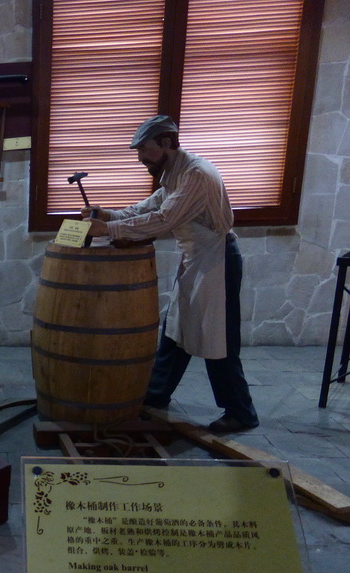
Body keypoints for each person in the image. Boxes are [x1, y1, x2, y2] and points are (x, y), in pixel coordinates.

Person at [83, 115, 258, 433]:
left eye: (144, 150)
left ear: (166, 144)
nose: (140, 158)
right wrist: (108, 213)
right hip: (197, 259)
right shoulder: (175, 173)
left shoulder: (196, 174)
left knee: (219, 339)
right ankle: (156, 395)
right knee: (176, 331)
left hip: (217, 260)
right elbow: (146, 208)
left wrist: (107, 228)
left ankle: (241, 412)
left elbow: (164, 218)